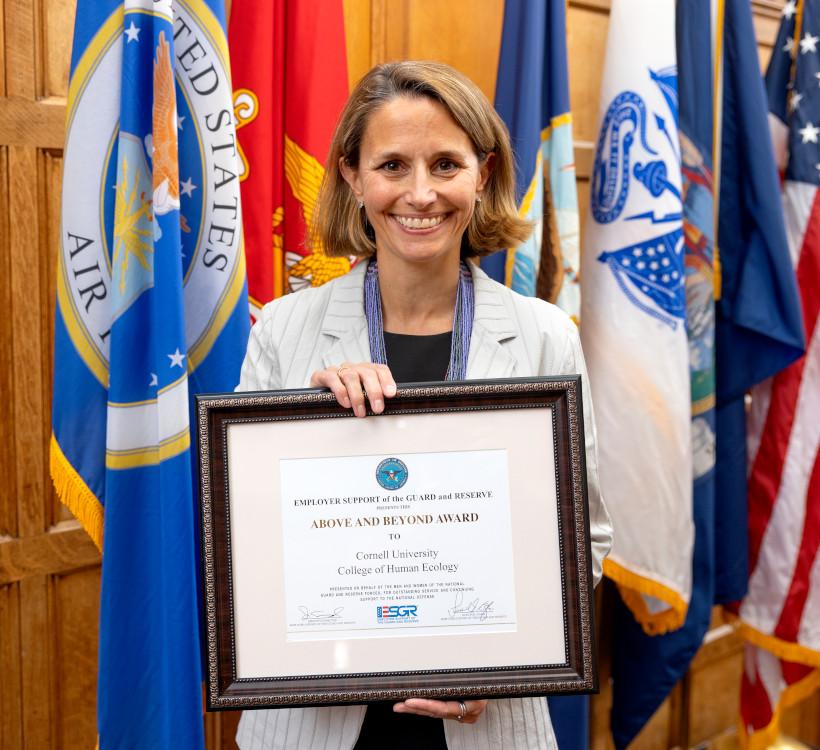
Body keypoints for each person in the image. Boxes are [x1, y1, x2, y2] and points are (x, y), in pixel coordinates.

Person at [235, 60, 612, 750]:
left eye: (445, 164)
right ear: (351, 174)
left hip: (488, 722)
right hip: (312, 720)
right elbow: (238, 539)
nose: (419, 194)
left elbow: (581, 538)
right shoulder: (285, 332)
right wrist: (302, 426)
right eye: (392, 165)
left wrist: (502, 667)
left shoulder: (543, 336)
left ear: (483, 172)